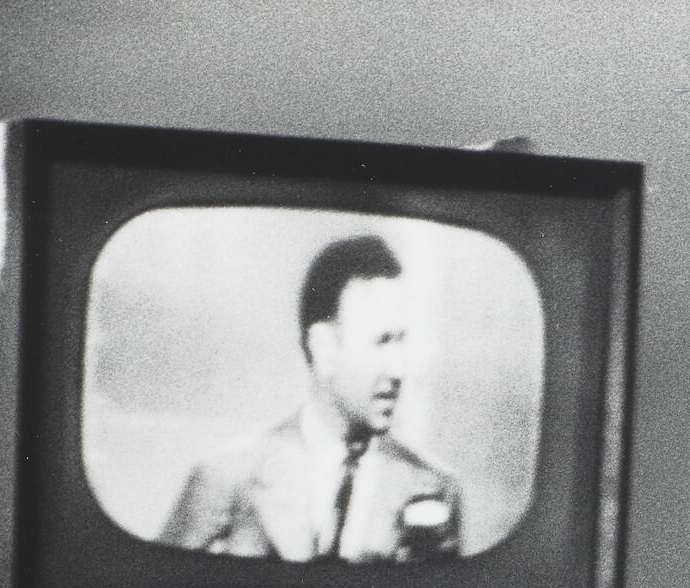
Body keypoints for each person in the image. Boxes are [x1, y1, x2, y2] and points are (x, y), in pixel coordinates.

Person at [158, 234, 464, 562]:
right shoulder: (225, 479)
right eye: (382, 342)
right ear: (324, 349)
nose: (399, 368)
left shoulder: (435, 489)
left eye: (401, 341)